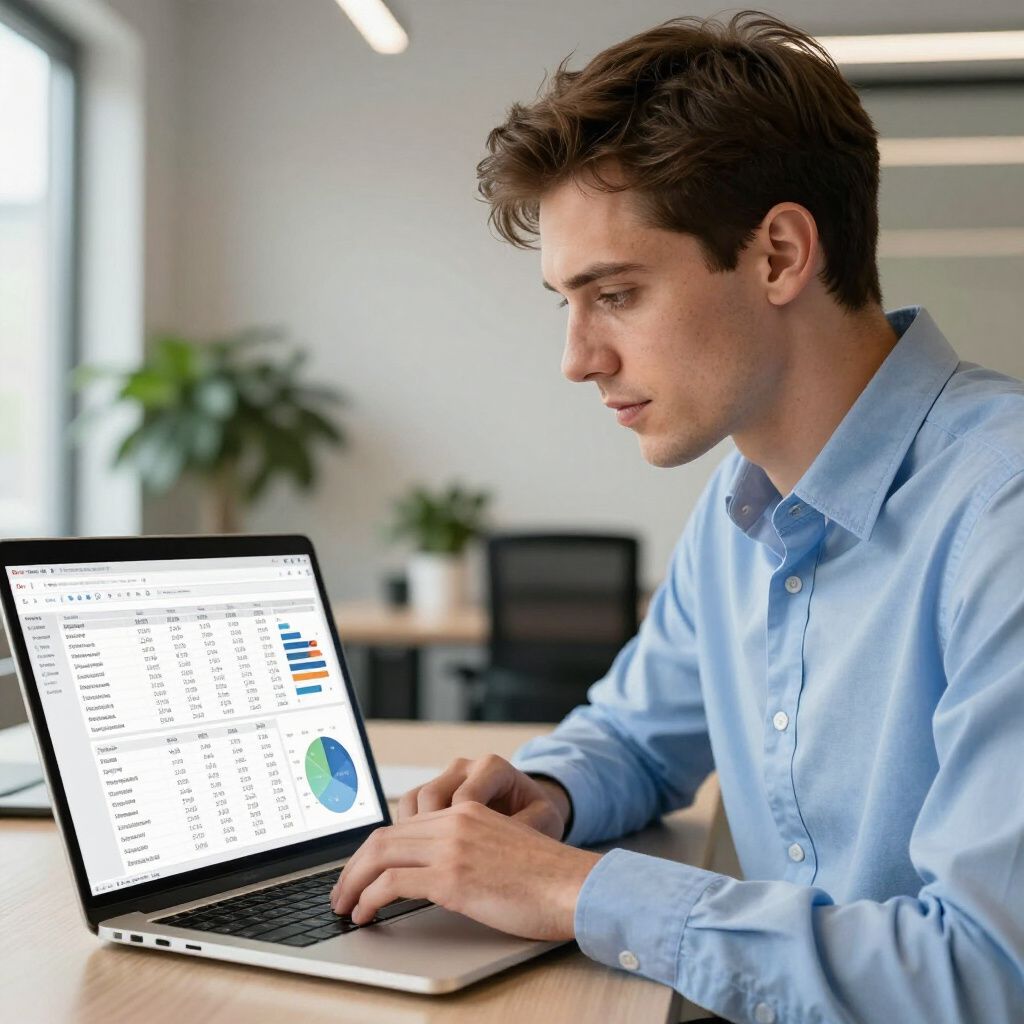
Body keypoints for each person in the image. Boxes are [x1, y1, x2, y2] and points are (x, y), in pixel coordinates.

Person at [331, 11, 1024, 1021]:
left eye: (613, 293)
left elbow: (982, 973)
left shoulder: (998, 510)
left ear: (779, 254)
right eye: (566, 303)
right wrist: (545, 797)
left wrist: (569, 889)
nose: (577, 358)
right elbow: (639, 735)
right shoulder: (738, 509)